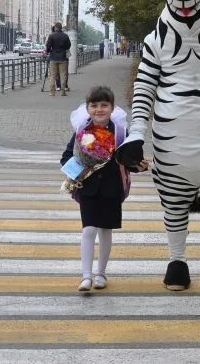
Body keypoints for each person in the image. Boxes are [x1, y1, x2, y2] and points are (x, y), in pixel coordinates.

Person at [61, 86, 149, 291]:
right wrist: (76, 171)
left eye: (104, 105)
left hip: (112, 188)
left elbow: (128, 160)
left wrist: (138, 166)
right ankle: (86, 276)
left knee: (106, 231)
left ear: (112, 108)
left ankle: (101, 273)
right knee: (88, 229)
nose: (99, 110)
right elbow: (66, 157)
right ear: (87, 108)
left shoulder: (120, 132)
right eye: (94, 105)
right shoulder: (81, 130)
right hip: (88, 188)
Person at [46, 22, 71, 96]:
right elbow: (68, 46)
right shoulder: (65, 36)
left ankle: (51, 92)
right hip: (63, 58)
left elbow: (48, 47)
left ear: (56, 27)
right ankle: (63, 91)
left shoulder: (51, 36)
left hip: (53, 57)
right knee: (63, 74)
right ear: (61, 28)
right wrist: (63, 49)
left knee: (52, 75)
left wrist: (49, 51)